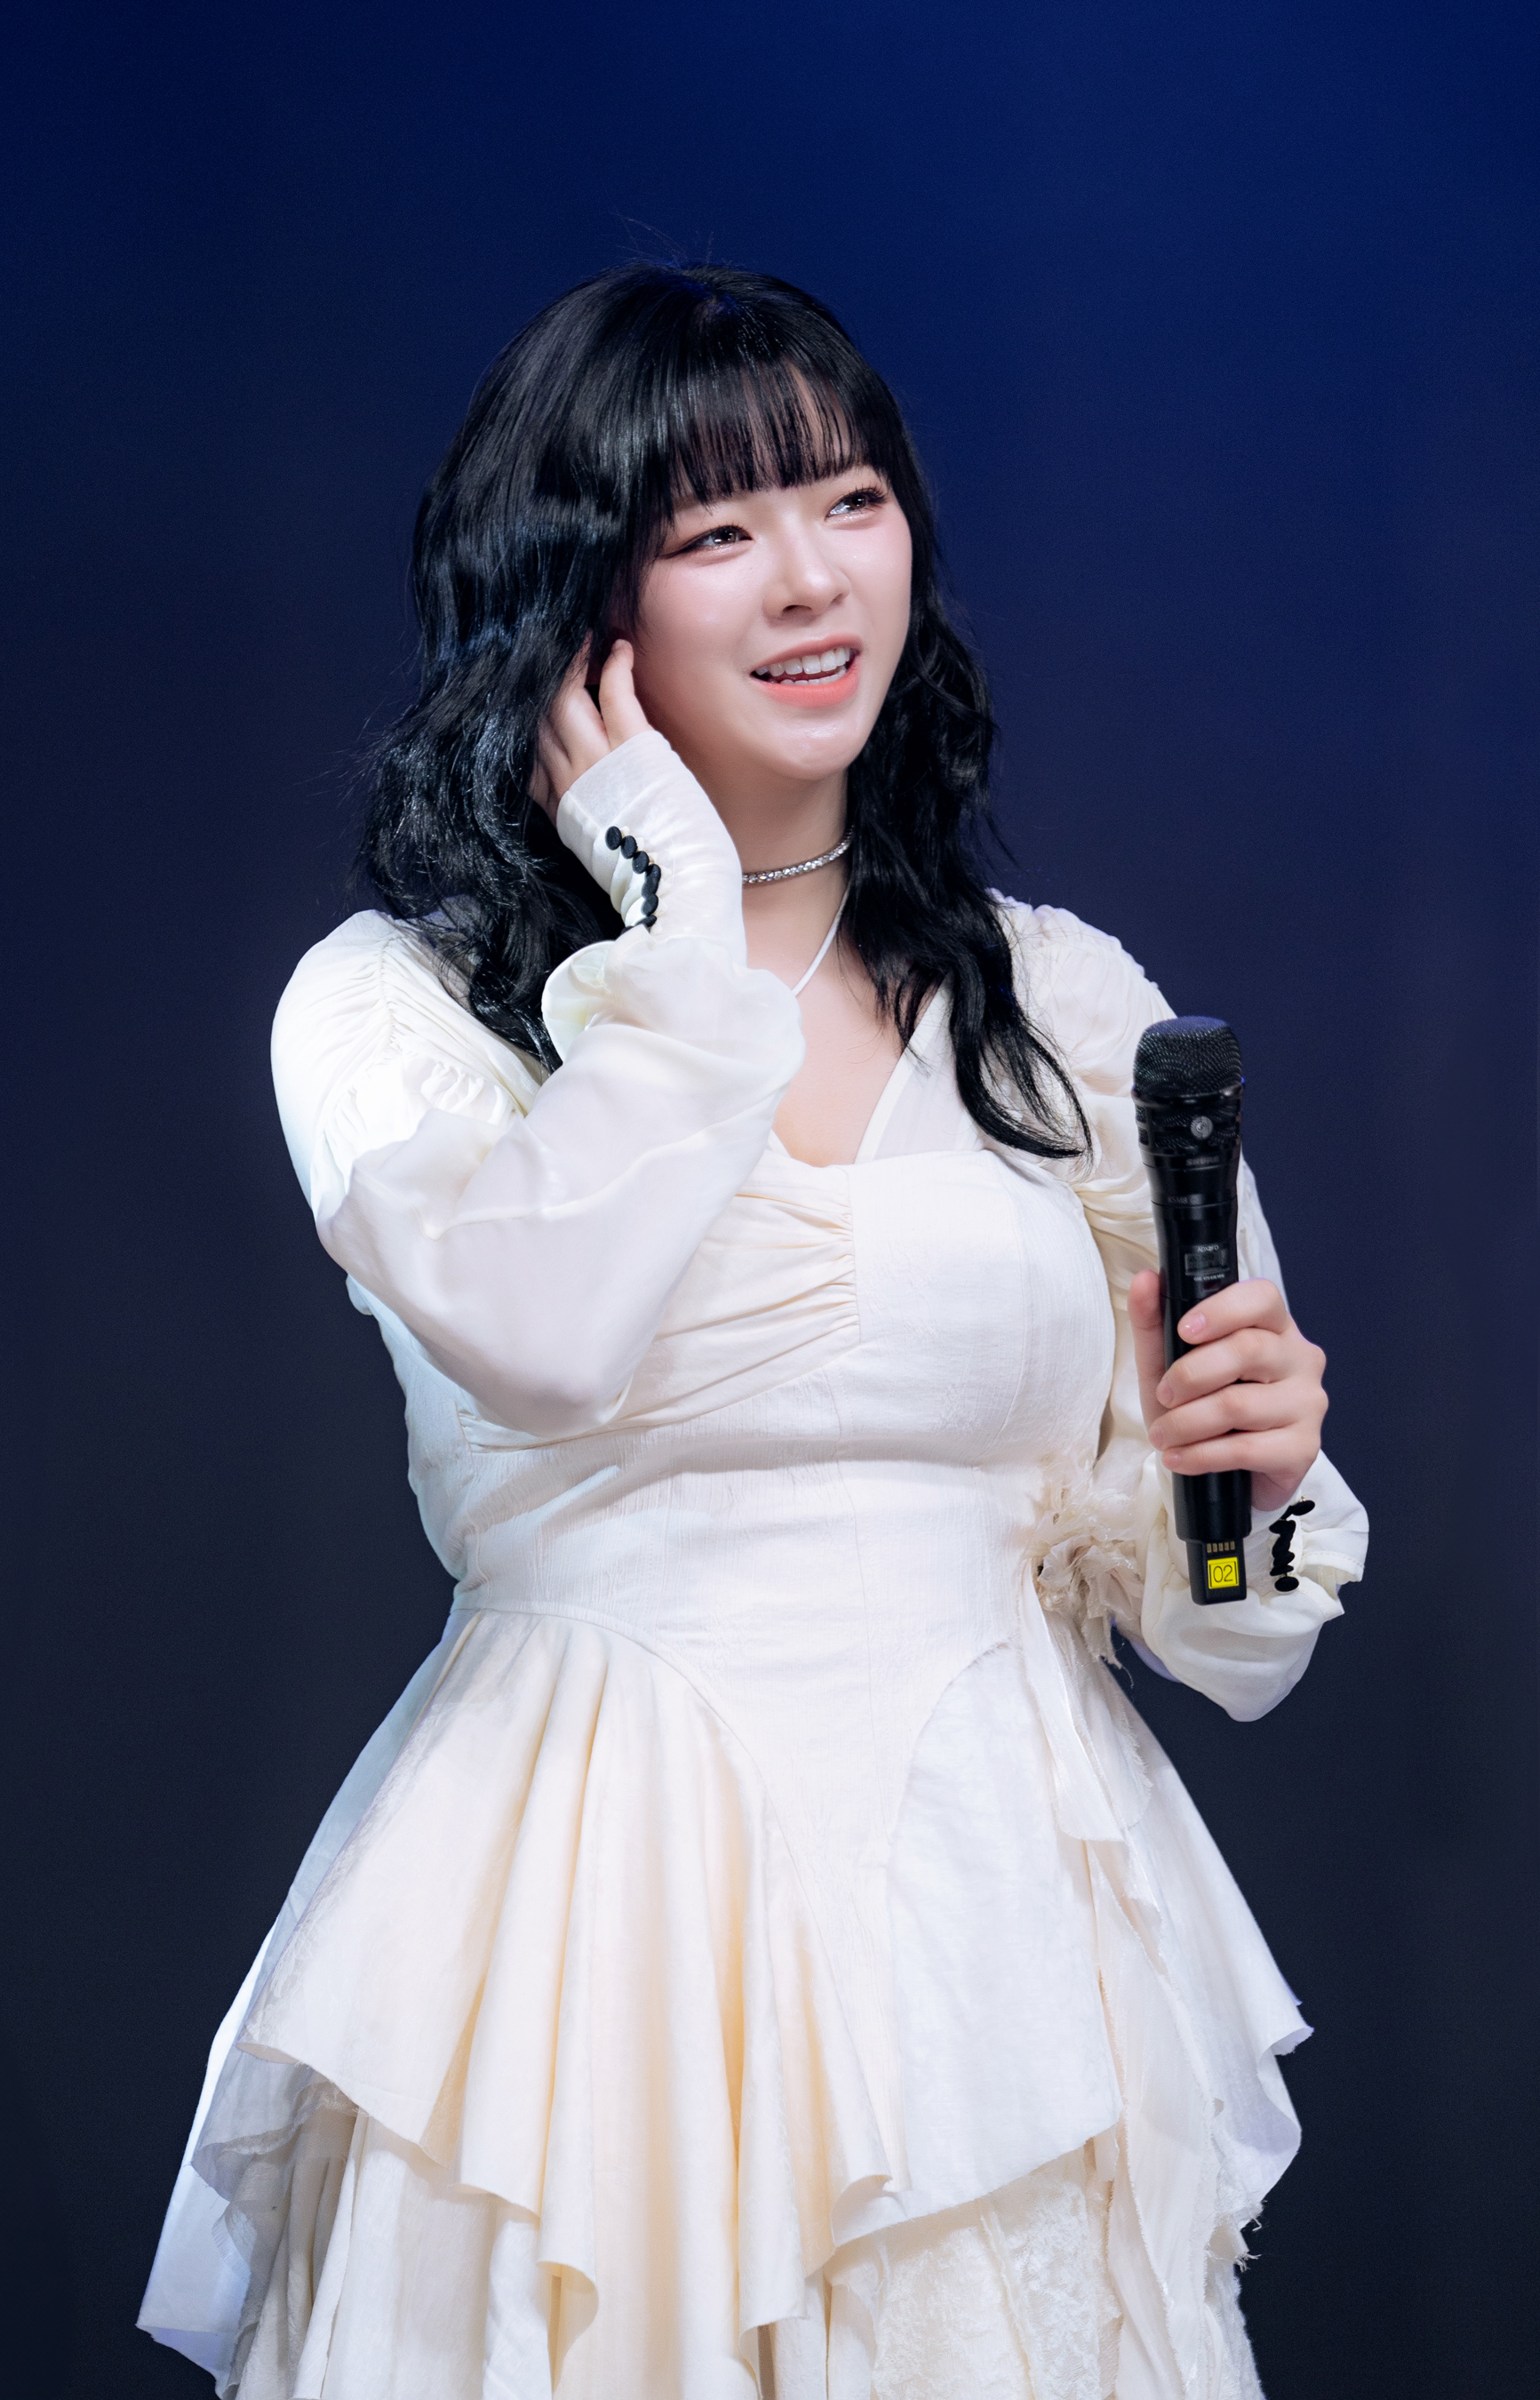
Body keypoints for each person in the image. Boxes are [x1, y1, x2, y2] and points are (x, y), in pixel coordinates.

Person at [140, 263, 1367, 2400]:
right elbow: (545, 1327)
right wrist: (679, 924)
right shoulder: (396, 1004)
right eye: (719, 529)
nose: (812, 580)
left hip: (1000, 1933)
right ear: (581, 610)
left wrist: (1244, 1471)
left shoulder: (1058, 1002)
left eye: (851, 500)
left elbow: (1239, 1640)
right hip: (588, 1934)